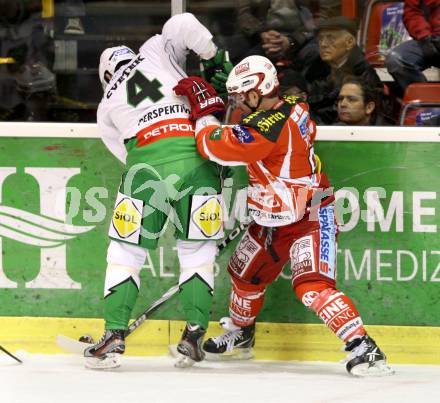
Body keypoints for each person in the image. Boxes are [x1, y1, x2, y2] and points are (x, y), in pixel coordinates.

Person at [173, 55, 394, 377]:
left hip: (310, 216)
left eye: (241, 97)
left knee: (312, 286)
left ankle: (365, 348)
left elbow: (212, 145)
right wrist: (234, 101)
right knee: (244, 274)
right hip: (272, 218)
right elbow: (274, 120)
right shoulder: (293, 104)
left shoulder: (264, 131)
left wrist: (207, 112)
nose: (237, 102)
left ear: (257, 92)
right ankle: (241, 332)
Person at [83, 13, 231, 370]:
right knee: (197, 252)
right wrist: (211, 56)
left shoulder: (106, 106)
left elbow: (124, 153)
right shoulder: (153, 51)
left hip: (144, 168)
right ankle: (194, 333)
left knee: (125, 253)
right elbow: (183, 22)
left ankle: (114, 335)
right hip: (197, 160)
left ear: (106, 76)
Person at [305, 16, 383, 124]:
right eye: (321, 39)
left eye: (330, 38)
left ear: (349, 42)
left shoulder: (363, 74)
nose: (323, 44)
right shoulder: (313, 69)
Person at [385, 0, 440, 97]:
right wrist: (424, 36)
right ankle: (425, 104)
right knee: (396, 59)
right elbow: (412, 13)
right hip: (431, 38)